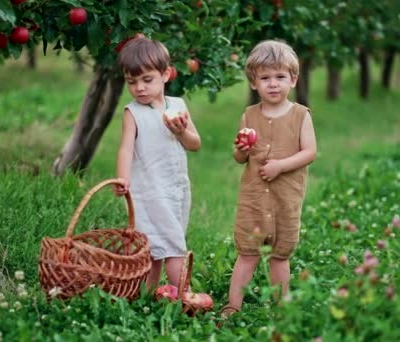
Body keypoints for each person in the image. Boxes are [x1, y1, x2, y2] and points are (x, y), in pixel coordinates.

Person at [221, 40, 317, 317]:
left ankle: (280, 308)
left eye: (280, 77)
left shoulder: (300, 115)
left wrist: (281, 166)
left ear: (293, 79)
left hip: (284, 199)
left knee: (280, 256)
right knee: (248, 253)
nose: (273, 84)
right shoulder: (249, 115)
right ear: (254, 83)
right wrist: (241, 150)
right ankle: (232, 305)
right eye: (265, 78)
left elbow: (310, 152)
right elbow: (241, 158)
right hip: (253, 200)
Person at [114, 37, 201, 290]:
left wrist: (181, 132)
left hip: (177, 189)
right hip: (149, 191)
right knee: (173, 245)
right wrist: (122, 178)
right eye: (132, 82)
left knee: (156, 247)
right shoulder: (133, 113)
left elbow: (195, 144)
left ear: (165, 74)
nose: (139, 88)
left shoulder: (178, 106)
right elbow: (125, 148)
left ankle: (147, 297)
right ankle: (186, 298)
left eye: (146, 80)